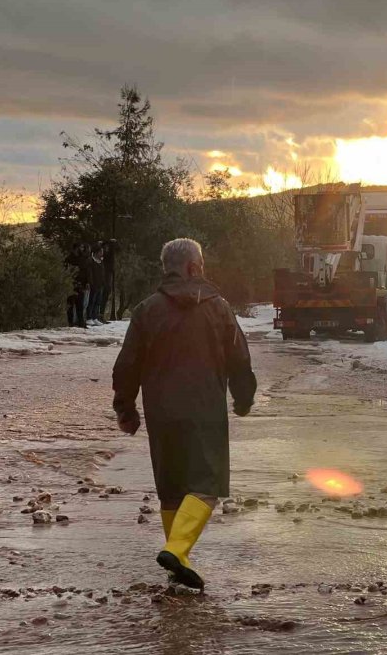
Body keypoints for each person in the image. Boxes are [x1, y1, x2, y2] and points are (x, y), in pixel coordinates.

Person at [112, 238, 257, 590]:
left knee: (172, 489)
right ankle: (176, 549)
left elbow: (127, 365)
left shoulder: (147, 310)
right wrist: (243, 397)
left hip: (161, 414)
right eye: (201, 264)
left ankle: (180, 560)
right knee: (206, 485)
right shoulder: (219, 308)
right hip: (204, 410)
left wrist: (126, 409)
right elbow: (239, 359)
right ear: (193, 268)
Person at [87, 245, 106, 326]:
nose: (102, 253)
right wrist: (91, 283)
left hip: (100, 285)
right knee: (91, 301)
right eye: (101, 251)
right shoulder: (91, 261)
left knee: (97, 302)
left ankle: (95, 317)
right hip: (93, 284)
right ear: (97, 252)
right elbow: (90, 273)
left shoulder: (101, 261)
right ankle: (89, 317)